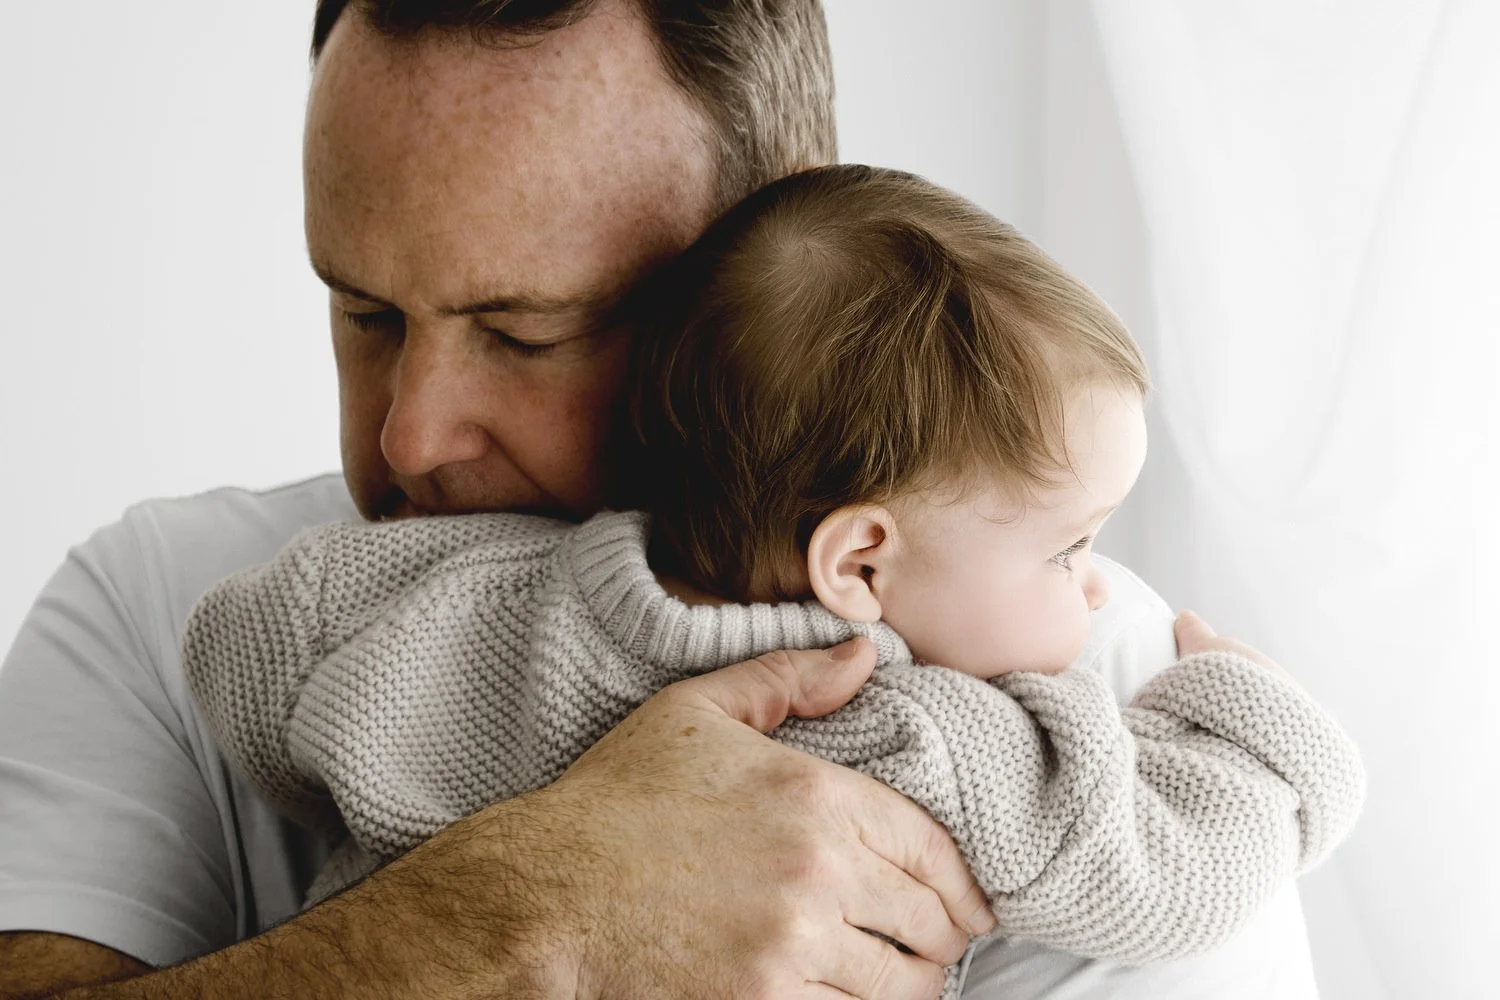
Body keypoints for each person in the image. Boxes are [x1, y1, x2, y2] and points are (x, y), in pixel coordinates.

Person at [0, 2, 1332, 998]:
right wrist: (526, 916)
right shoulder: (152, 600)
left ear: (750, 289)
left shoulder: (1073, 686)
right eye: (361, 311)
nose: (410, 431)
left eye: (525, 333)